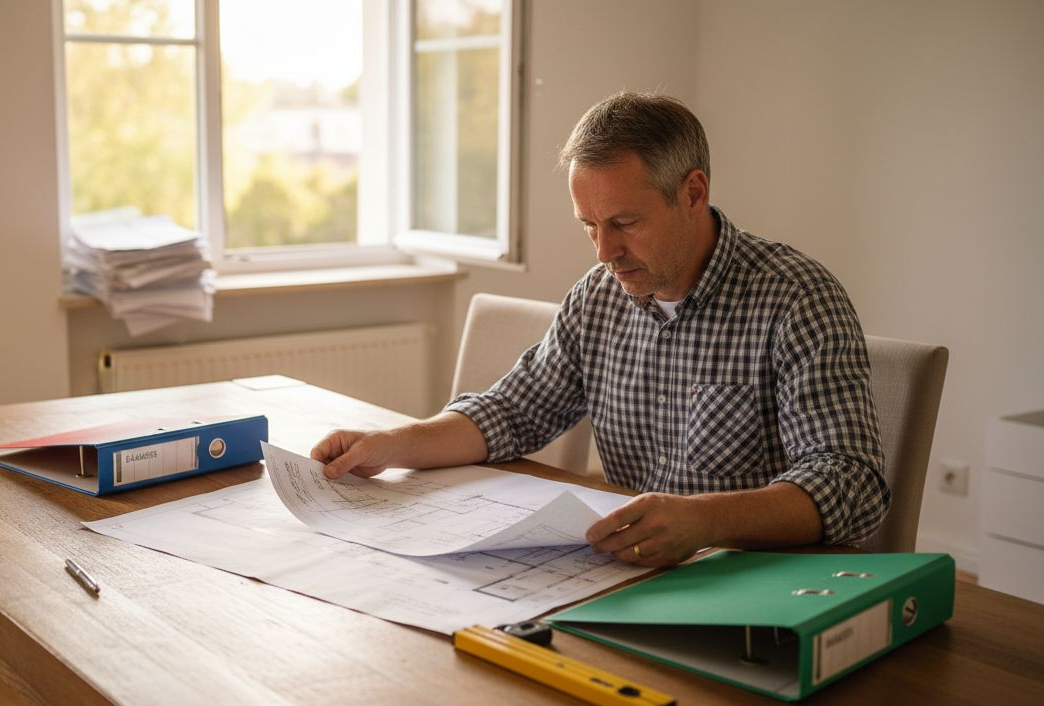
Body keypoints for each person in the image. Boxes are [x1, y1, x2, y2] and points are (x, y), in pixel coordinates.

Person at [311, 91, 888, 567]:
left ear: (693, 193)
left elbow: (852, 484)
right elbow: (512, 411)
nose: (606, 251)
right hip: (631, 571)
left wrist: (702, 518)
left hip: (756, 582)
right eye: (589, 225)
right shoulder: (599, 297)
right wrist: (392, 443)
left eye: (625, 223)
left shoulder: (796, 298)